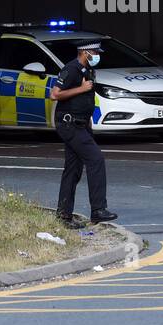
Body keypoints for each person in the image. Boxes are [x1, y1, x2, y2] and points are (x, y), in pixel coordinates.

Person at [49, 38, 117, 228]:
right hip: (69, 124)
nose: (97, 56)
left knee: (73, 170)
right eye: (95, 53)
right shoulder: (71, 69)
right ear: (85, 53)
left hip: (80, 124)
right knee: (96, 159)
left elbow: (85, 100)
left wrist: (88, 123)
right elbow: (54, 94)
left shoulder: (88, 71)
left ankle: (64, 216)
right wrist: (81, 88)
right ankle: (98, 210)